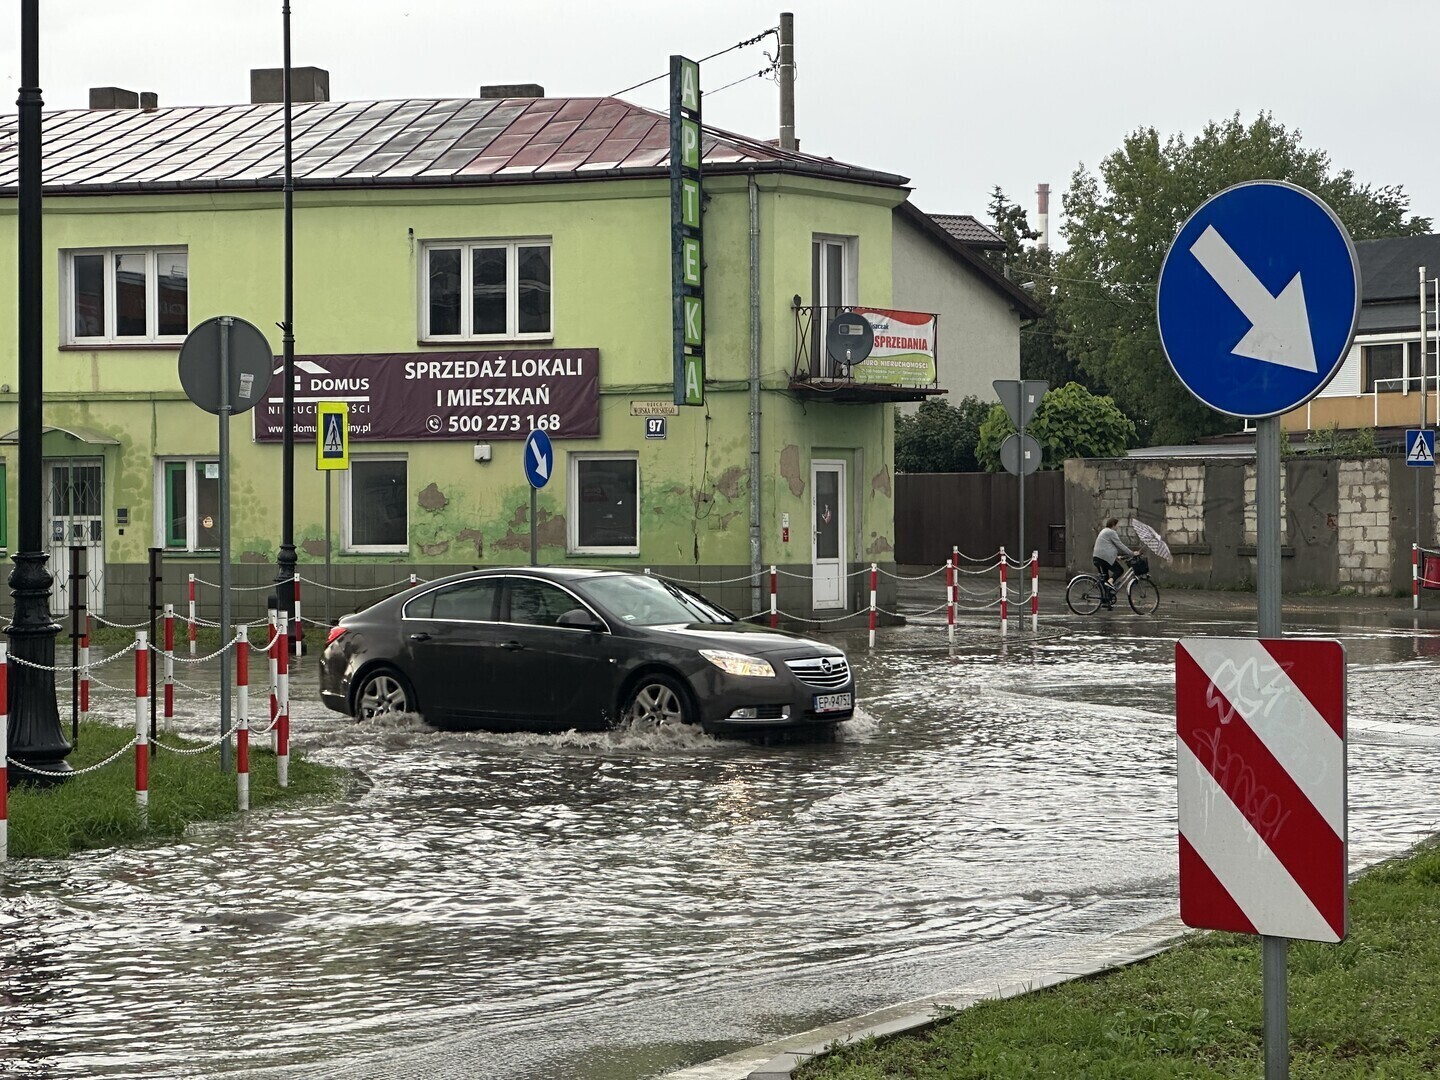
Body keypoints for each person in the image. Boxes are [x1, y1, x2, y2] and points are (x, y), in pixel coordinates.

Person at [1092, 517, 1135, 608]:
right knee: (1119, 570)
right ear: (1113, 525)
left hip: (1098, 557)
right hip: (1104, 558)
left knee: (1104, 579)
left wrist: (1115, 557)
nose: (1118, 527)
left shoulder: (1104, 531)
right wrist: (1132, 553)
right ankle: (1110, 582)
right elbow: (1120, 545)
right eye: (1117, 525)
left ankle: (1105, 601)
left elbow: (1106, 546)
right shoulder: (1111, 532)